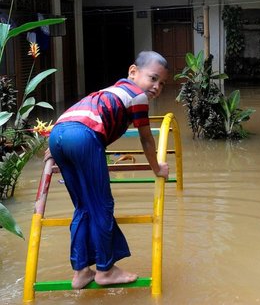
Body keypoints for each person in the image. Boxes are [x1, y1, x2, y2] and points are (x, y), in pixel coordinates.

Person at [47, 51, 170, 289]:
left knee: (83, 206)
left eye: (162, 83)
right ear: (133, 72)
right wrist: (157, 168)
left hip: (59, 133)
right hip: (82, 136)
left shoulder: (110, 91)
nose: (156, 87)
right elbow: (146, 139)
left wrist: (57, 145)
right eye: (153, 78)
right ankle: (105, 269)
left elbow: (76, 117)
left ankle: (81, 271)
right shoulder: (138, 96)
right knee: (102, 206)